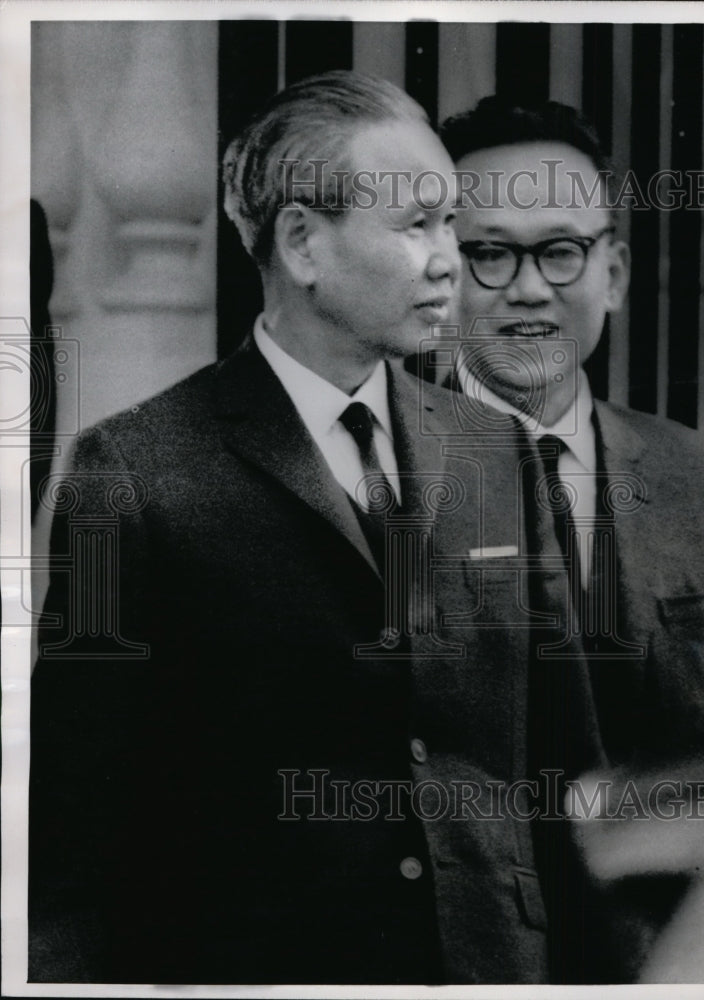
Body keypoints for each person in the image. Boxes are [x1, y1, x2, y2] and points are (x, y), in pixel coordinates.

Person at [28, 72, 582, 986]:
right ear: (301, 242)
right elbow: (73, 833)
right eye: (415, 225)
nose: (450, 257)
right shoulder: (128, 471)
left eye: (451, 223)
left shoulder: (501, 455)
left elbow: (564, 775)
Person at [434, 97, 704, 982]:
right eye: (487, 253)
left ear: (611, 271)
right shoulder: (354, 479)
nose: (529, 287)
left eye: (562, 249)